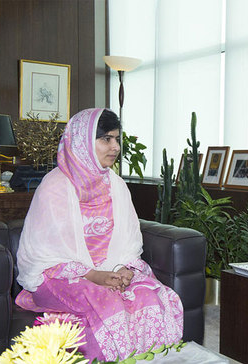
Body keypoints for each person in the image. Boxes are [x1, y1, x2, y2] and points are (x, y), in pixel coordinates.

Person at [15, 108, 184, 361]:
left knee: (151, 297)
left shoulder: (116, 184)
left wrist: (125, 269)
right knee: (108, 304)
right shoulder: (55, 186)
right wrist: (94, 275)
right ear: (82, 142)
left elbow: (129, 241)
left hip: (111, 269)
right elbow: (45, 256)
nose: (115, 147)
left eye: (117, 139)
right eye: (106, 139)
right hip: (59, 277)